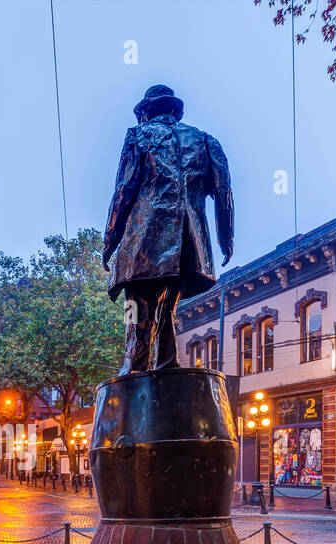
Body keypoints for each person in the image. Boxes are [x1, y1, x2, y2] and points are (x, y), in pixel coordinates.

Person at [103, 84, 234, 373]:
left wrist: (109, 242)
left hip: (144, 243)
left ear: (146, 112)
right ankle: (166, 363)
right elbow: (224, 193)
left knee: (134, 307)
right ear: (176, 111)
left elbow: (123, 192)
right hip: (189, 244)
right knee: (168, 308)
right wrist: (226, 238)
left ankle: (133, 363)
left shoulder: (137, 136)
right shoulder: (205, 141)